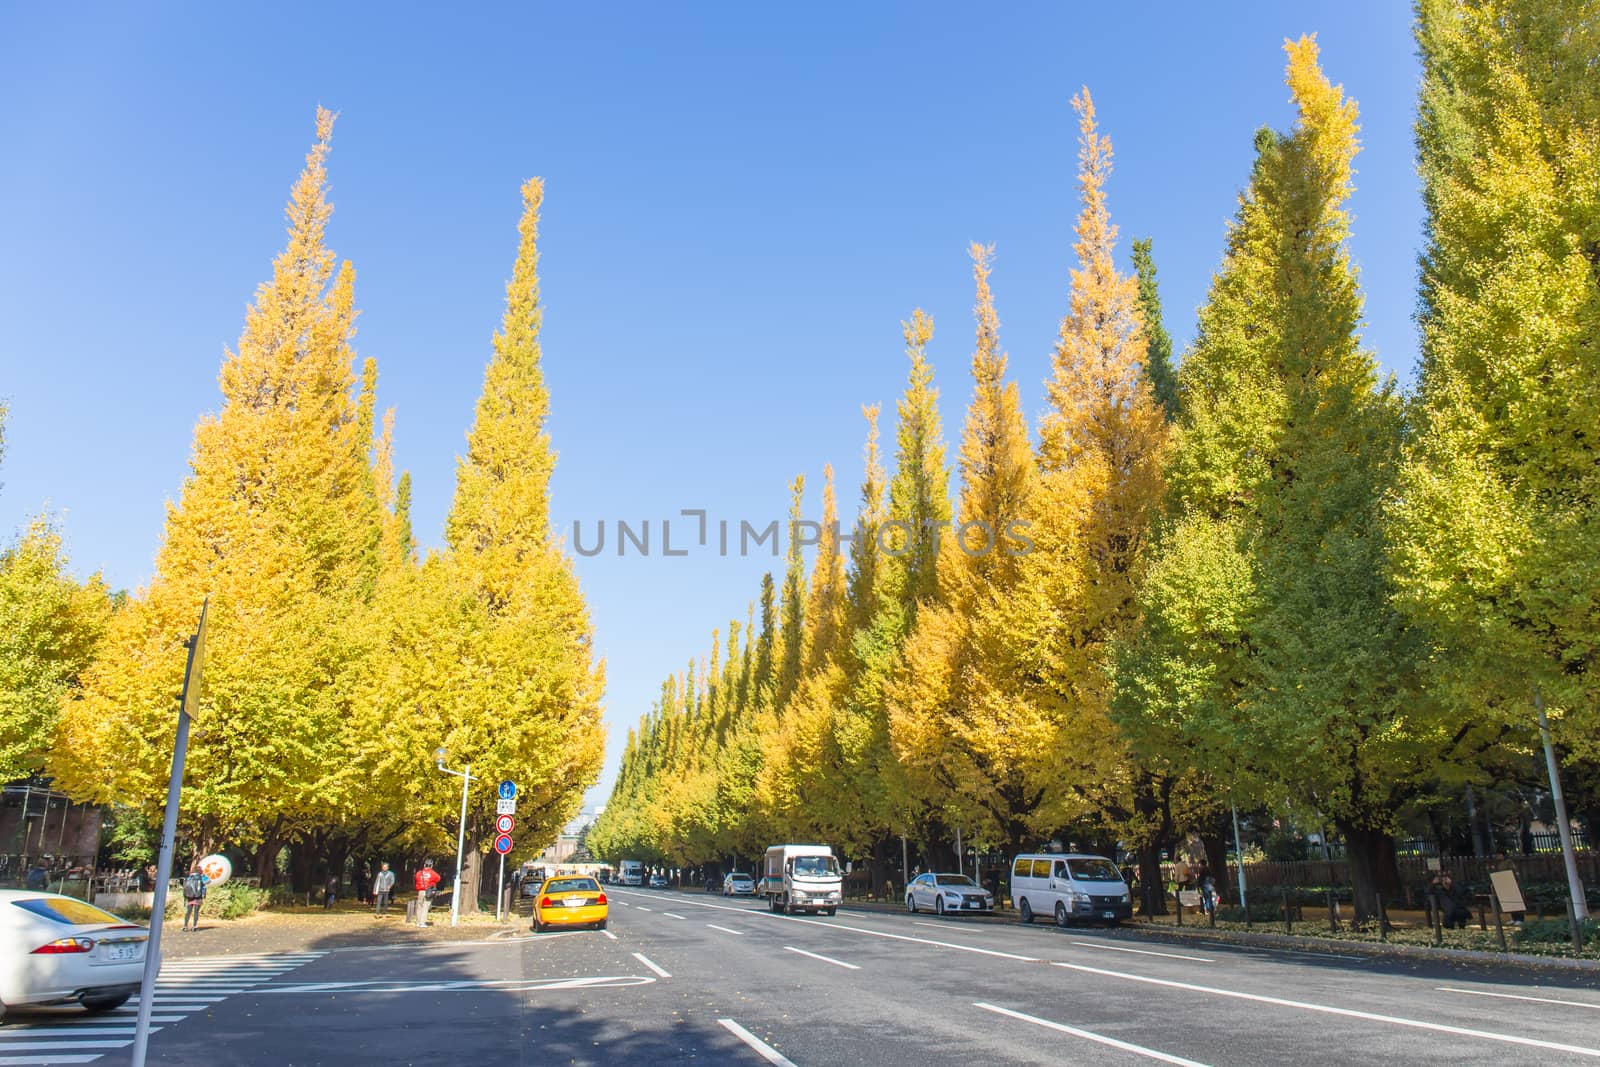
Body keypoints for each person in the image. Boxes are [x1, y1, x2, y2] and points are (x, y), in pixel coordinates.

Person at [181, 863, 210, 932]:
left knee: (188, 911)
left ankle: (185, 926)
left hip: (189, 896)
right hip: (198, 896)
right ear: (200, 871)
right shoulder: (201, 877)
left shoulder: (190, 877)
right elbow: (208, 881)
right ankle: (194, 926)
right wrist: (203, 875)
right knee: (196, 912)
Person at [414, 859, 441, 926]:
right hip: (428, 891)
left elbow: (416, 878)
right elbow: (438, 878)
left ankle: (418, 922)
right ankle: (422, 923)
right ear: (431, 866)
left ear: (424, 865)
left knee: (419, 906)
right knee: (425, 907)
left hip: (420, 891)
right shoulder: (433, 873)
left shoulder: (419, 873)